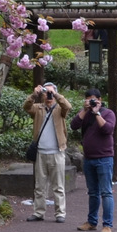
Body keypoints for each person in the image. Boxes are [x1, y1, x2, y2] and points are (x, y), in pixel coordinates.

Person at [70, 87, 117, 232]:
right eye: (88, 99)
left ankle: (107, 225)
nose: (91, 102)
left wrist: (96, 112)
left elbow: (108, 129)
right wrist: (85, 111)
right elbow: (74, 125)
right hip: (89, 159)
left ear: (100, 100)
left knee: (106, 193)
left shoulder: (108, 113)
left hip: (104, 158)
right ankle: (91, 222)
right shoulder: (85, 114)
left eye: (94, 99)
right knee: (92, 193)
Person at [23, 82, 72, 222]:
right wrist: (34, 94)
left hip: (57, 151)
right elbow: (26, 107)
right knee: (39, 185)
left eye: (50, 92)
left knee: (58, 185)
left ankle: (60, 213)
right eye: (46, 92)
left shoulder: (59, 109)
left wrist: (55, 94)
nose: (48, 95)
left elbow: (68, 106)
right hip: (41, 153)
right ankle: (39, 212)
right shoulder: (38, 109)